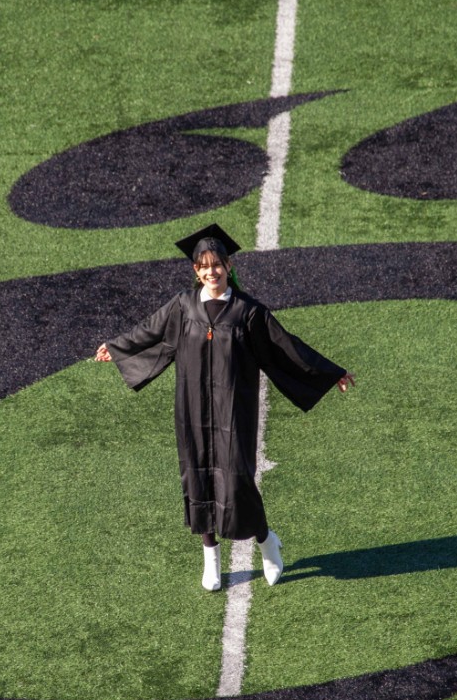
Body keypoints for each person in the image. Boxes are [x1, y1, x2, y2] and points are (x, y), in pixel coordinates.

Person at [95, 224, 354, 591]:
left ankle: (267, 542)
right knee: (197, 478)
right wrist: (118, 347)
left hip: (234, 412)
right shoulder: (183, 307)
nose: (210, 272)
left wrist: (330, 372)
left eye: (217, 265)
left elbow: (286, 349)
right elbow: (149, 332)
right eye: (203, 266)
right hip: (192, 410)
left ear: (229, 266)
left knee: (237, 483)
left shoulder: (247, 312)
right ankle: (210, 558)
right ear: (195, 271)